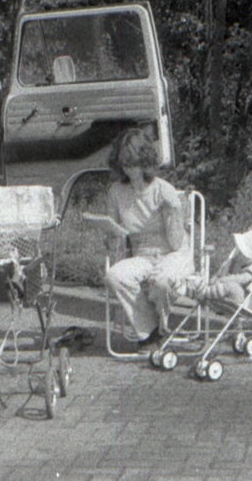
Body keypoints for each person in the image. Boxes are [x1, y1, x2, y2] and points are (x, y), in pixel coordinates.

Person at [84, 129, 193, 350]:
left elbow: (175, 242)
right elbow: (115, 235)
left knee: (160, 281)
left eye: (134, 164)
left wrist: (173, 212)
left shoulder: (163, 190)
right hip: (142, 254)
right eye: (125, 165)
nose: (130, 171)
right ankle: (150, 331)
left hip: (173, 252)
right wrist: (111, 233)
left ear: (145, 162)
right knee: (115, 275)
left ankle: (161, 329)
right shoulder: (116, 191)